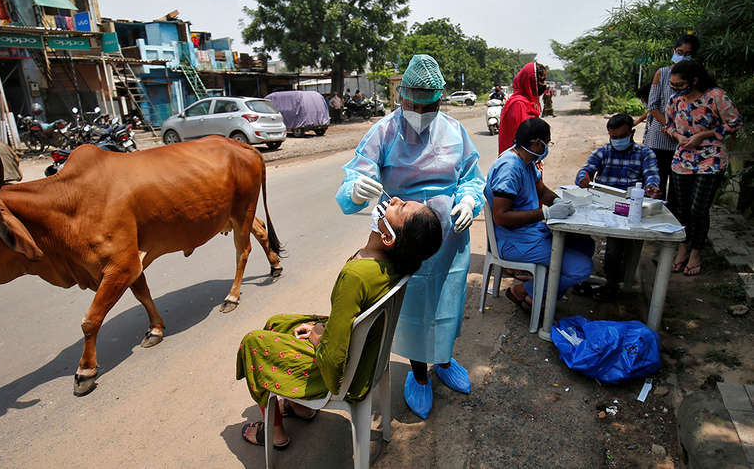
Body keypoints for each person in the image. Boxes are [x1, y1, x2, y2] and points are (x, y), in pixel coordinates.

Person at [335, 54, 485, 420]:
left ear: (439, 100)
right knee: (415, 307)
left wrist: (468, 199)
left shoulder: (453, 131)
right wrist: (355, 190)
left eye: (428, 105)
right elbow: (352, 181)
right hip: (405, 237)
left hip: (450, 237)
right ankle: (419, 373)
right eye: (412, 104)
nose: (419, 111)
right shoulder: (384, 132)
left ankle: (444, 359)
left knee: (447, 302)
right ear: (401, 98)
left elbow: (472, 176)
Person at [238, 197, 443, 449]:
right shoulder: (396, 263)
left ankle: (275, 432)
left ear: (388, 238)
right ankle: (300, 407)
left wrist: (318, 336)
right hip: (366, 354)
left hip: (344, 374)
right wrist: (322, 329)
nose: (395, 199)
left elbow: (334, 359)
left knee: (253, 343)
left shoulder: (356, 275)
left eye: (399, 208)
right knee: (277, 323)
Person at [486, 117, 594, 309]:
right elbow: (501, 216)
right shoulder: (510, 168)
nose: (547, 148)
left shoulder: (526, 161)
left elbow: (541, 191)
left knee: (585, 243)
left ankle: (541, 293)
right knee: (581, 268)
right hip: (515, 242)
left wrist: (560, 202)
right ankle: (523, 291)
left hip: (530, 233)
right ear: (537, 143)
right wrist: (546, 214)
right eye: (547, 142)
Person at [666, 60, 742, 277]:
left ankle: (696, 252)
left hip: (711, 160)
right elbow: (669, 125)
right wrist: (677, 135)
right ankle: (682, 247)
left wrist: (703, 135)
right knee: (681, 208)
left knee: (698, 209)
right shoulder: (674, 100)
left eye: (679, 85)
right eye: (673, 84)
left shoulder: (716, 96)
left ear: (694, 81)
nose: (675, 88)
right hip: (682, 159)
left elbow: (735, 122)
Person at [576, 114, 661, 299]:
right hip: (601, 204)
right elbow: (586, 170)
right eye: (613, 137)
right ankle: (577, 276)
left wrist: (652, 187)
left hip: (627, 208)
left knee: (615, 246)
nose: (616, 141)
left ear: (631, 133)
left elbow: (652, 176)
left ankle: (612, 284)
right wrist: (584, 178)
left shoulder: (645, 154)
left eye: (621, 137)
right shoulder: (603, 152)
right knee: (575, 234)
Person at [646, 34, 700, 200]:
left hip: (685, 142)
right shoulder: (661, 74)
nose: (682, 56)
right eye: (679, 51)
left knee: (679, 192)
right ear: (673, 51)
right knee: (656, 187)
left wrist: (681, 133)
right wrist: (671, 128)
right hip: (659, 138)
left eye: (687, 54)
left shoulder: (698, 79)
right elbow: (652, 106)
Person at [498, 62, 546, 154]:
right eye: (542, 80)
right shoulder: (518, 105)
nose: (545, 84)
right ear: (531, 81)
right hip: (519, 162)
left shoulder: (529, 103)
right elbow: (522, 141)